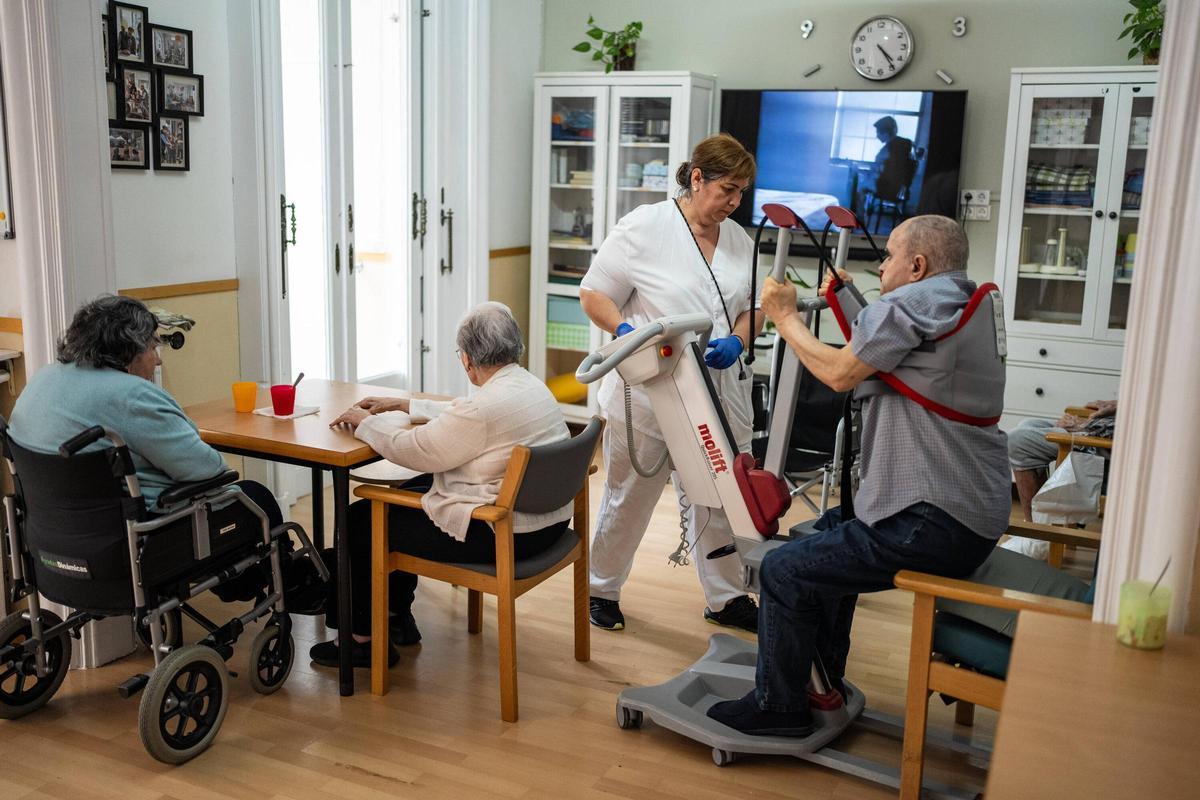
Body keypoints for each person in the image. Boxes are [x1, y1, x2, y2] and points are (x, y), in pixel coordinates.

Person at [706, 215, 1009, 736]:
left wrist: (784, 318)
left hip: (928, 522)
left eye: (889, 256)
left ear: (918, 266)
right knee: (821, 535)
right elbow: (896, 352)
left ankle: (779, 710)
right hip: (971, 516)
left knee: (783, 570)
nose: (882, 265)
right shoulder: (959, 301)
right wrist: (850, 302)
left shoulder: (909, 304)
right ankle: (820, 683)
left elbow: (841, 372)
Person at [311, 302, 573, 668]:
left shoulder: (482, 409)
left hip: (503, 533)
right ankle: (396, 617)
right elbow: (466, 417)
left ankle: (360, 641)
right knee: (405, 496)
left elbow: (418, 450)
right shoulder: (528, 385)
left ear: (467, 359)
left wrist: (365, 423)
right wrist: (405, 405)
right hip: (547, 523)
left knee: (361, 520)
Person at [578, 132, 764, 633]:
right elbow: (594, 293)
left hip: (717, 392)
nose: (734, 201)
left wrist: (739, 340)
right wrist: (625, 333)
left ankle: (726, 596)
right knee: (630, 494)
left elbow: (753, 309)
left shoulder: (739, 240)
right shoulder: (645, 227)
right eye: (727, 189)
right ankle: (600, 588)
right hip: (651, 389)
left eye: (741, 192)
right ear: (697, 178)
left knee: (721, 495)